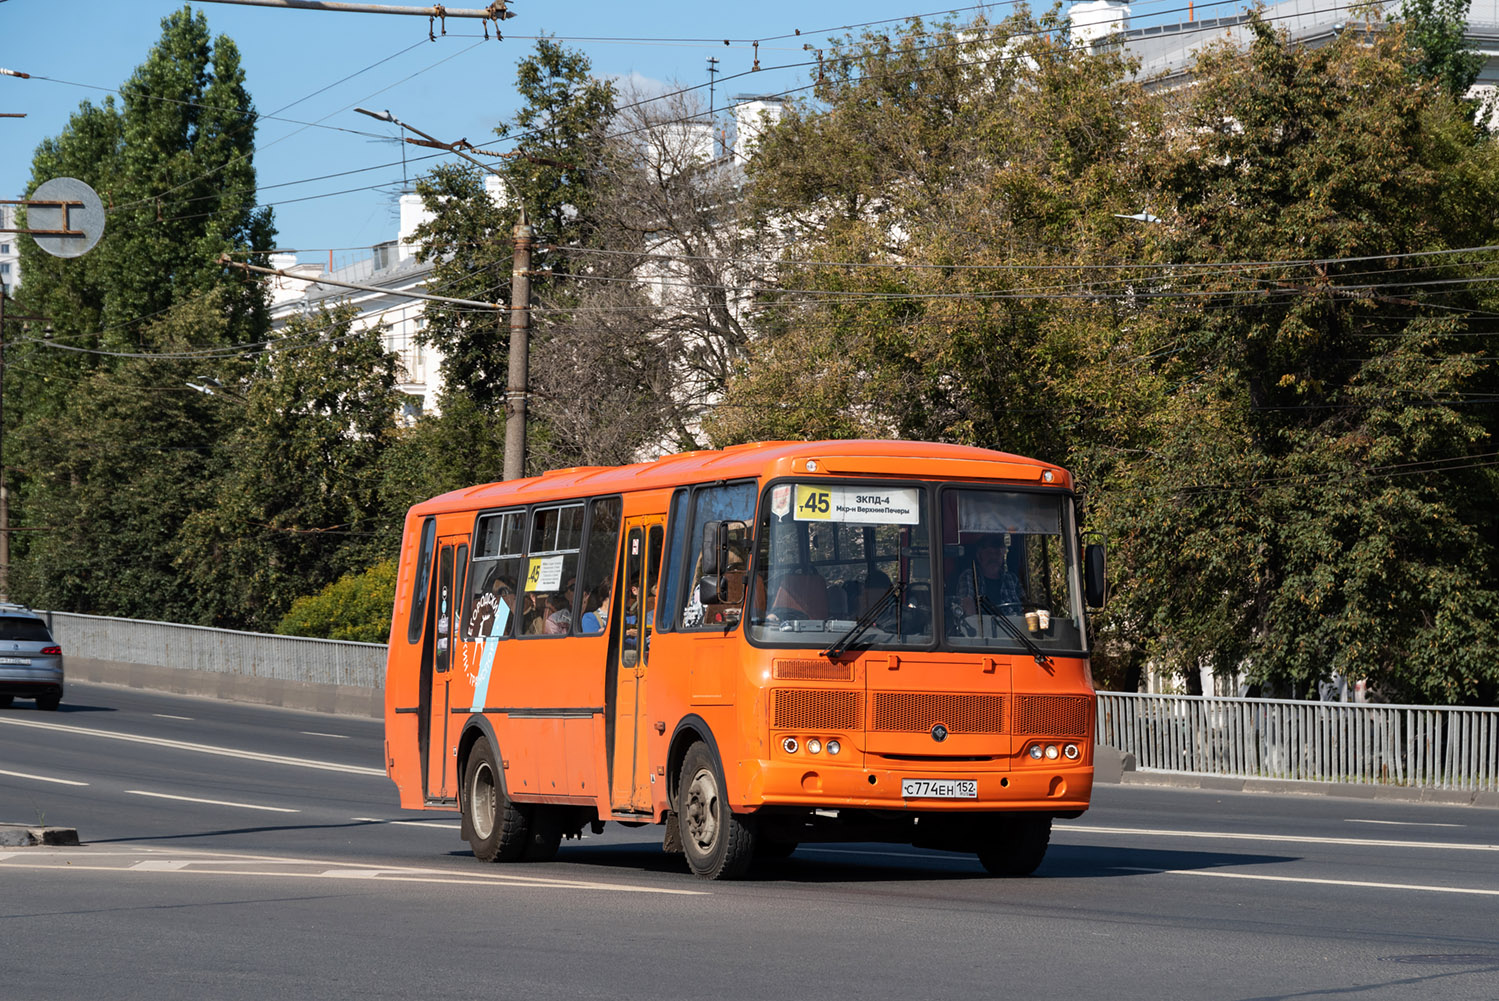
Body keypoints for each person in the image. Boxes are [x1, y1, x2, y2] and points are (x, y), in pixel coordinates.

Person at [955, 534, 1021, 615]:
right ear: (979, 556)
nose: (993, 558)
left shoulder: (1011, 579)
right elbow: (967, 604)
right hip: (982, 627)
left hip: (1012, 627)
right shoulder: (970, 576)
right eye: (989, 553)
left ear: (1003, 556)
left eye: (997, 553)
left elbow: (1025, 607)